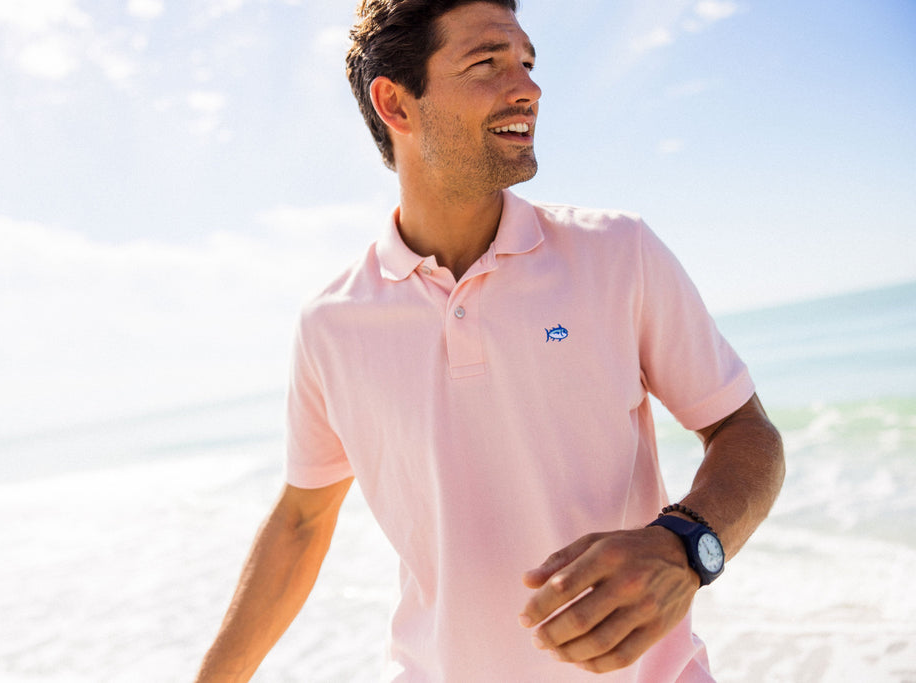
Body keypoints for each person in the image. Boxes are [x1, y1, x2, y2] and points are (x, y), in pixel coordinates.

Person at [195, 1, 785, 680]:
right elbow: (301, 521)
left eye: (528, 62)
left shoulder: (619, 252)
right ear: (395, 103)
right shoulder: (332, 324)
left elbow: (747, 431)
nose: (528, 86)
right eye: (488, 63)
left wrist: (686, 544)